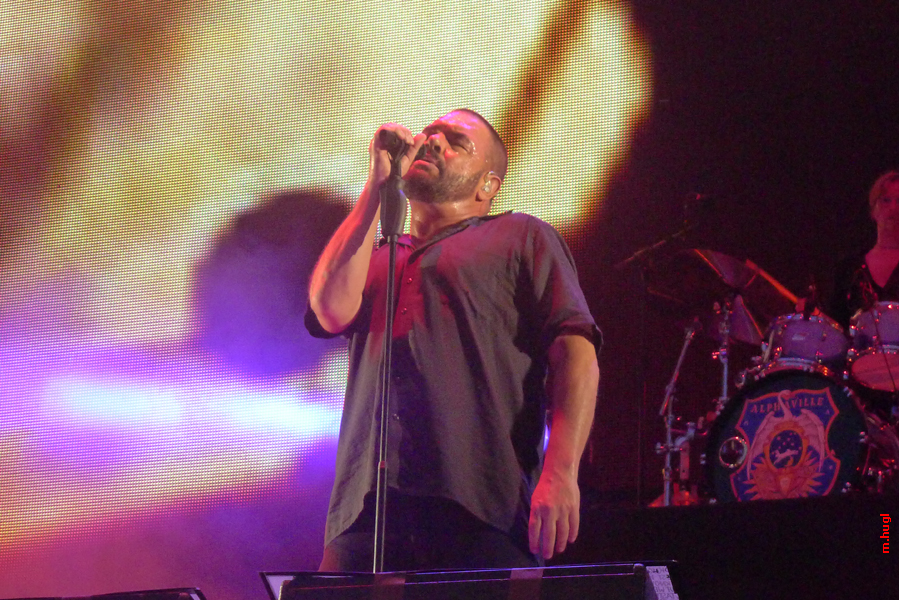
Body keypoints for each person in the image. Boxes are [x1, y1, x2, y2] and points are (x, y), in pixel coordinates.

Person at [305, 109, 601, 571]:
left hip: (479, 506)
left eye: (456, 142)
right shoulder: (378, 255)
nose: (433, 142)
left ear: (487, 185)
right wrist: (377, 183)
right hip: (366, 510)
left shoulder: (521, 236)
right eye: (431, 133)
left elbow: (575, 353)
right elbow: (330, 309)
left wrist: (561, 471)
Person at [825, 170, 899, 328]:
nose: (893, 207)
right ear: (873, 210)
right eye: (886, 200)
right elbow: (836, 327)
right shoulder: (849, 268)